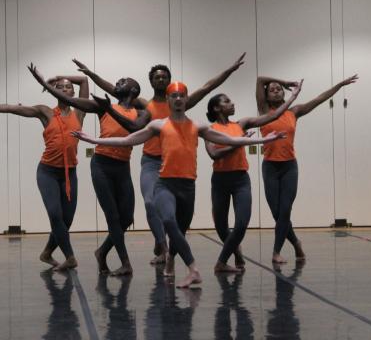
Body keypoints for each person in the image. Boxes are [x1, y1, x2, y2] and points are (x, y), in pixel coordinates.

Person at [72, 81, 286, 288]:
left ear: (186, 99)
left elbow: (233, 140)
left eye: (182, 96)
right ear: (168, 99)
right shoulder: (159, 125)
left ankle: (171, 258)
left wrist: (262, 141)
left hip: (187, 187)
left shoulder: (197, 126)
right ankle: (193, 269)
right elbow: (128, 140)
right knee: (169, 221)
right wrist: (95, 141)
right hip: (165, 184)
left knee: (180, 231)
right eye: (173, 96)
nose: (178, 99)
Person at [74, 54, 247, 264]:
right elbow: (114, 90)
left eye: (165, 77)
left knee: (175, 213)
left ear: (169, 82)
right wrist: (91, 74)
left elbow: (207, 87)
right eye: (157, 77)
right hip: (151, 162)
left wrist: (229, 70)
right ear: (151, 82)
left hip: (174, 165)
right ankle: (162, 246)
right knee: (149, 202)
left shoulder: (179, 101)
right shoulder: (144, 105)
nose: (161, 79)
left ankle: (169, 249)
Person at [0, 73, 89, 271]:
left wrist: (58, 76)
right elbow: (13, 109)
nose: (65, 89)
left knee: (67, 220)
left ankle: (46, 253)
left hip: (69, 173)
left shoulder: (80, 112)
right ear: (54, 91)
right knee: (55, 215)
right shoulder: (45, 112)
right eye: (60, 87)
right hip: (47, 172)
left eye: (67, 87)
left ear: (73, 92)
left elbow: (84, 80)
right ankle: (70, 257)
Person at [28, 63, 143, 276]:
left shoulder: (141, 111)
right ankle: (125, 262)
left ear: (134, 90)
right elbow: (72, 100)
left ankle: (102, 251)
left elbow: (134, 128)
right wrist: (45, 82)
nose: (117, 82)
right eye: (116, 81)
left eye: (122, 81)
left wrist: (107, 101)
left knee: (126, 217)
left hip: (123, 167)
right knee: (113, 217)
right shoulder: (101, 106)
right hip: (102, 164)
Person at [256, 74, 358, 264]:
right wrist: (285, 81)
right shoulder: (263, 111)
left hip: (289, 167)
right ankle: (295, 242)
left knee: (285, 210)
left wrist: (340, 85)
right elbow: (260, 79)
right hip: (270, 166)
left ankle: (276, 252)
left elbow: (319, 99)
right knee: (277, 213)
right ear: (266, 96)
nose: (276, 91)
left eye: (279, 88)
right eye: (272, 89)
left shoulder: (294, 112)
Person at [205, 81, 302, 273]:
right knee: (221, 226)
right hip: (220, 181)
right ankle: (237, 253)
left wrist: (292, 97)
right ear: (217, 108)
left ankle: (221, 262)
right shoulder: (209, 130)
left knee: (241, 224)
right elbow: (214, 154)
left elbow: (273, 115)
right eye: (227, 101)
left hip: (241, 179)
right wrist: (239, 142)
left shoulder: (241, 124)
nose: (232, 103)